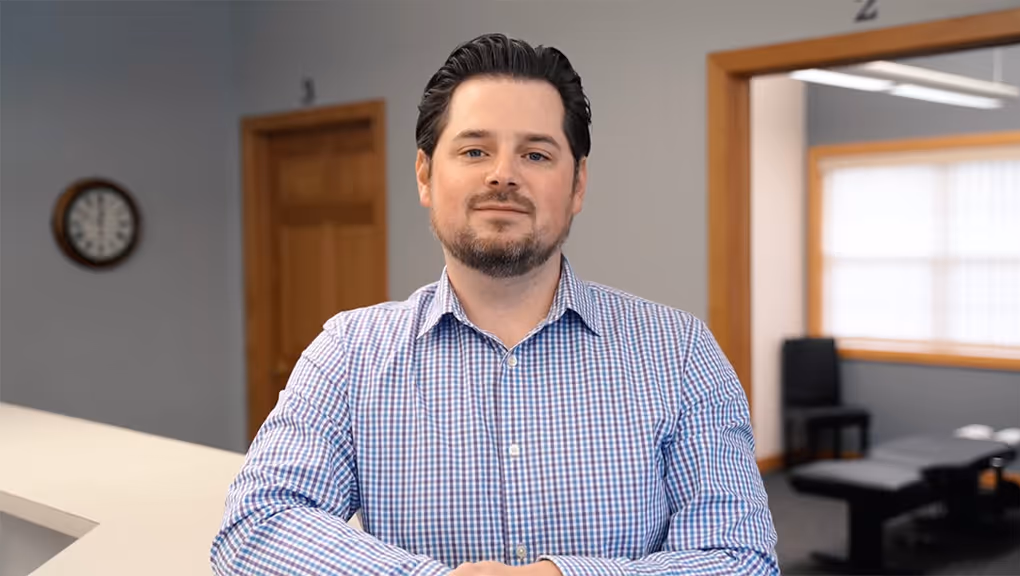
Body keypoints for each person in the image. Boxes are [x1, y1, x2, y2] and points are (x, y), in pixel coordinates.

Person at [211, 33, 779, 576]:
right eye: (475, 149)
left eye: (536, 154)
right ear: (425, 176)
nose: (503, 175)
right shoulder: (349, 354)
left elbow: (739, 558)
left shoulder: (679, 351)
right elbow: (256, 528)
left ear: (577, 184)